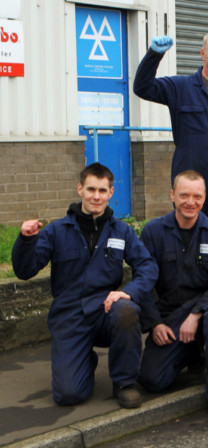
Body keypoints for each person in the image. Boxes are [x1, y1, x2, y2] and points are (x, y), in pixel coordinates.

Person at [11, 163, 158, 409]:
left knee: (127, 310)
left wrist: (127, 292)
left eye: (102, 190)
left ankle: (124, 382)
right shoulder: (57, 231)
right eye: (91, 189)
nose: (96, 196)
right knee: (68, 395)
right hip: (69, 315)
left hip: (105, 309)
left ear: (111, 193)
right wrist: (26, 241)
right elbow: (25, 271)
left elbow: (148, 267)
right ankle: (83, 360)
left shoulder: (122, 231)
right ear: (80, 189)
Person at [133, 30, 208, 242]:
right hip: (190, 188)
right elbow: (142, 87)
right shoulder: (180, 87)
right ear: (202, 53)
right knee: (188, 243)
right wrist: (154, 55)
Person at [138, 170, 208, 419]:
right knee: (152, 379)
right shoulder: (153, 232)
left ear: (204, 199)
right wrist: (154, 324)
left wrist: (196, 313)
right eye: (184, 195)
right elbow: (143, 282)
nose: (190, 202)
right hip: (171, 315)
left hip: (207, 311)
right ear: (172, 195)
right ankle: (194, 353)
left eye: (196, 196)